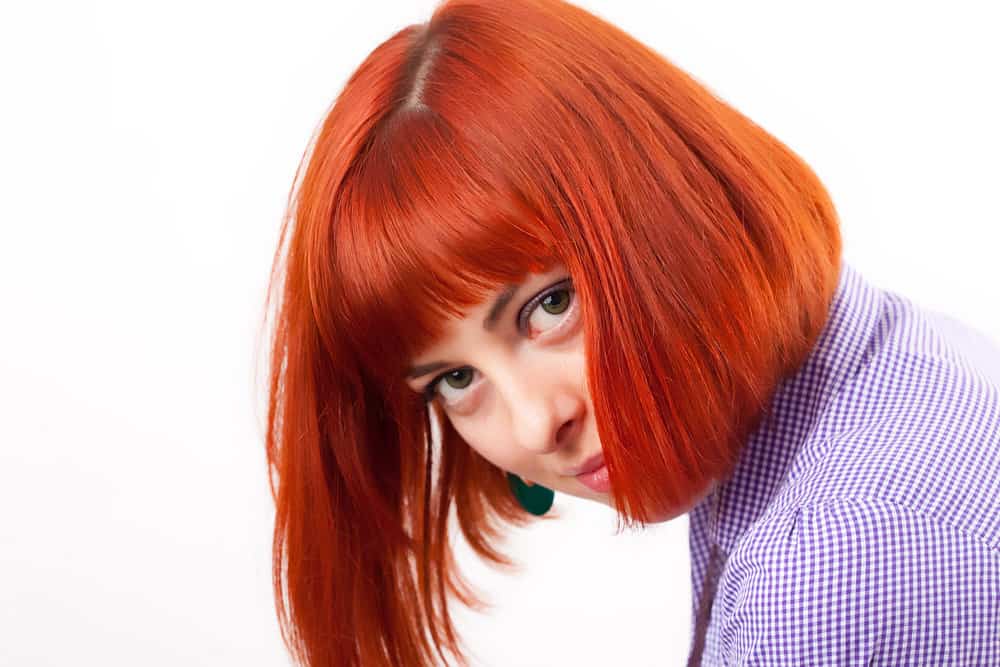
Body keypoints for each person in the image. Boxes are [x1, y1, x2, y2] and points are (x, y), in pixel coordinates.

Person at [260, 0, 1000, 665]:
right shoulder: (896, 359)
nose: (537, 421)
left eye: (549, 305)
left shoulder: (832, 569)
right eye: (455, 379)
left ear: (666, 204)